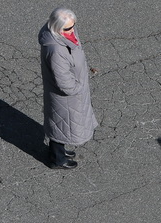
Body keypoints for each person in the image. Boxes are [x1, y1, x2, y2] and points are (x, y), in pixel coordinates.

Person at [39, 7, 98, 169]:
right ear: (57, 27)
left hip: (70, 94)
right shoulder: (56, 50)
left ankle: (59, 152)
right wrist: (78, 87)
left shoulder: (62, 35)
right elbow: (64, 82)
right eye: (68, 28)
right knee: (61, 125)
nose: (73, 30)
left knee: (63, 125)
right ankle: (57, 160)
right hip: (66, 97)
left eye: (74, 25)